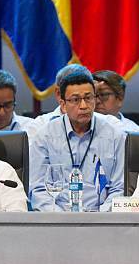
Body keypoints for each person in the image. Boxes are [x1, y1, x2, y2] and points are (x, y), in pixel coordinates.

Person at [29, 70, 125, 212]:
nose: (83, 106)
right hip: (57, 220)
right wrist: (61, 219)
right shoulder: (45, 136)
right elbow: (38, 189)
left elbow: (120, 187)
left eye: (88, 98)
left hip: (102, 221)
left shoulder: (114, 135)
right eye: (75, 100)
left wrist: (101, 217)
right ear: (63, 104)